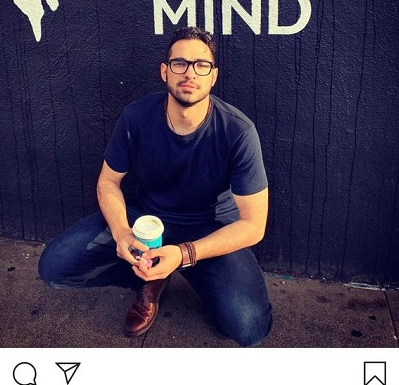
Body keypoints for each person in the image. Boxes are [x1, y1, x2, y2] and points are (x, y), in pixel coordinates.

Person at [39, 27, 272, 347]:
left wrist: (185, 254)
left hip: (208, 230)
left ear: (213, 76)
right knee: (54, 268)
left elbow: (253, 225)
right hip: (147, 222)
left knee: (249, 328)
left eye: (201, 65)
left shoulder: (238, 132)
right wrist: (122, 232)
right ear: (165, 71)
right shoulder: (137, 117)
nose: (189, 72)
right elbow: (108, 181)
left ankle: (186, 270)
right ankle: (151, 276)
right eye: (179, 63)